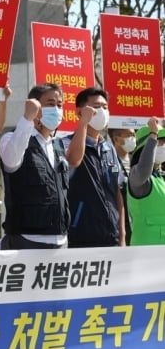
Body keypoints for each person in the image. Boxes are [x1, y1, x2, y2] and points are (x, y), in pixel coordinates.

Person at [0, 83, 71, 251]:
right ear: (35, 106)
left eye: (59, 105)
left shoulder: (58, 145)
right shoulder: (12, 138)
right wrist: (26, 119)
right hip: (27, 240)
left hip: (60, 240)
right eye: (50, 104)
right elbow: (10, 160)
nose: (57, 109)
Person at [63, 87, 125, 248]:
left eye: (105, 107)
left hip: (111, 236)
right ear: (79, 113)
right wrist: (83, 124)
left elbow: (117, 192)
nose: (102, 112)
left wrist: (122, 235)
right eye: (96, 107)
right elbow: (73, 160)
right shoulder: (66, 144)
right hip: (81, 237)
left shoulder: (108, 148)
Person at [127, 119, 165, 245]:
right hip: (145, 249)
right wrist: (153, 134)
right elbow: (144, 168)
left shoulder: (160, 178)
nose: (163, 145)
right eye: (160, 141)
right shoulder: (137, 176)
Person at [108, 127, 136, 244]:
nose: (133, 139)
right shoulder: (109, 161)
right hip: (120, 223)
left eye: (134, 135)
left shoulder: (137, 161)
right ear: (116, 139)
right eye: (128, 135)